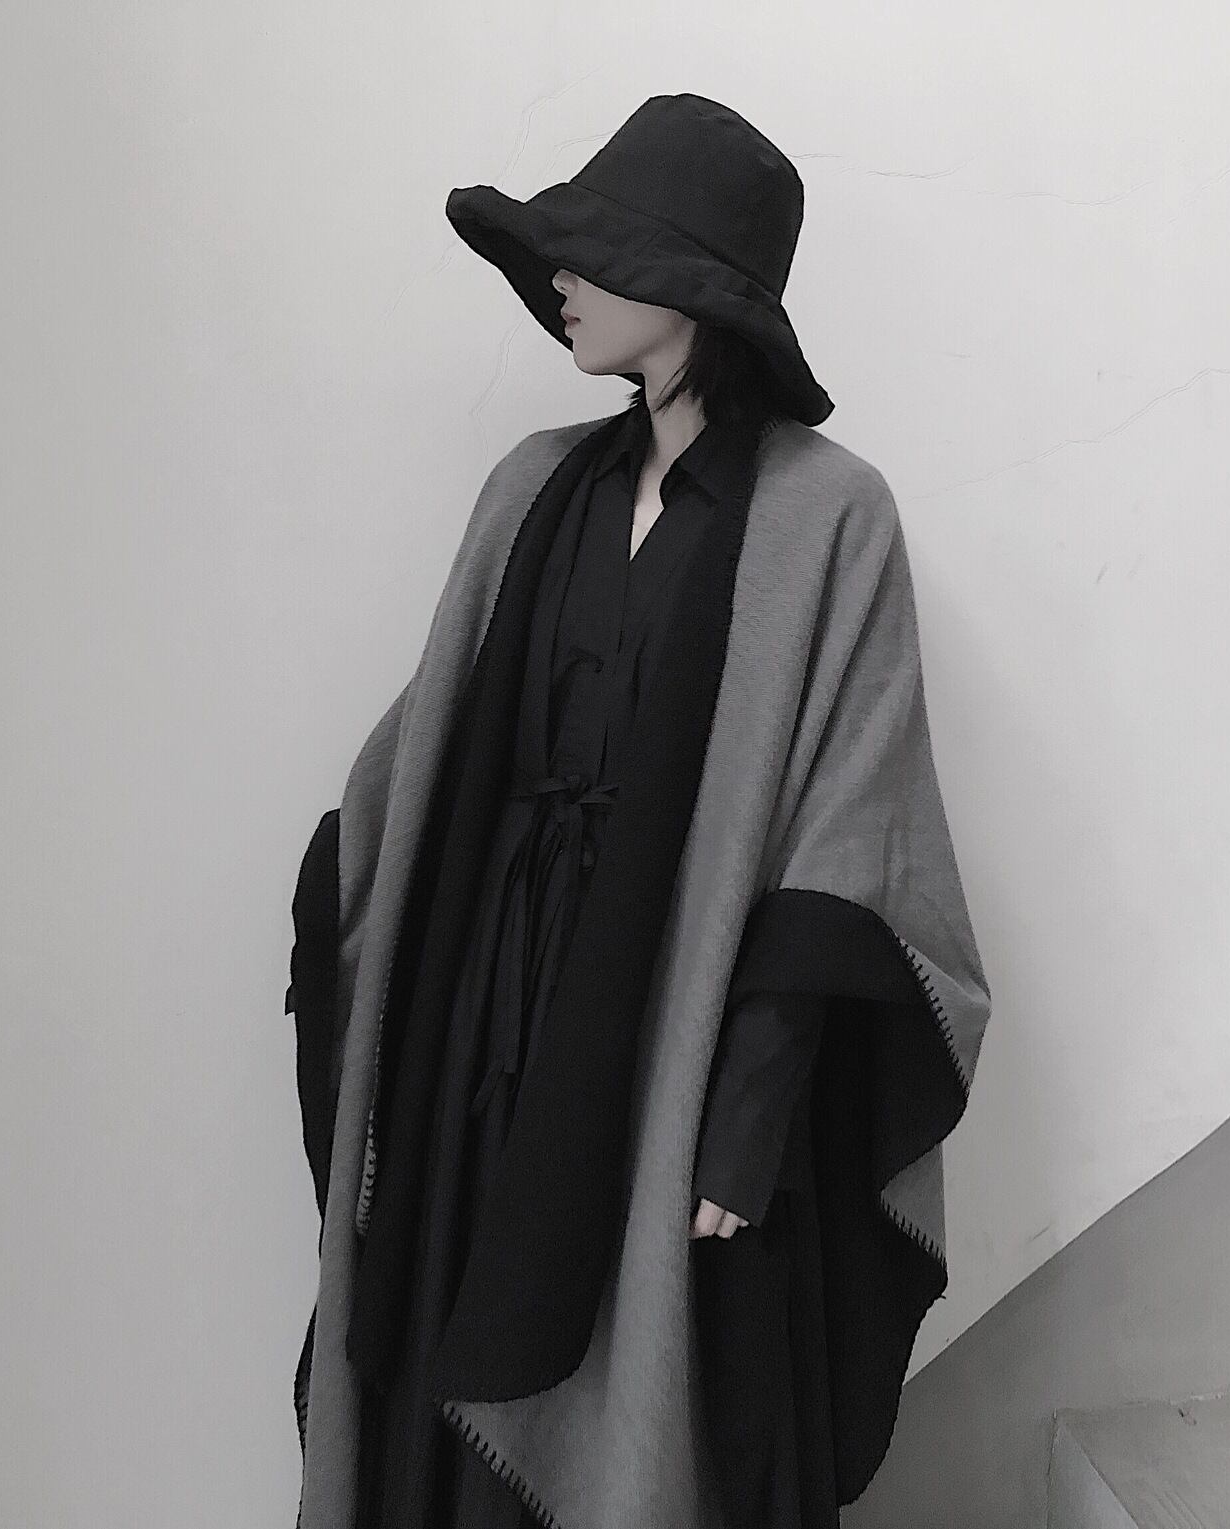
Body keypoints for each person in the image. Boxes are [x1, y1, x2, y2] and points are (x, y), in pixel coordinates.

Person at [285, 93, 991, 1529]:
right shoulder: (533, 485)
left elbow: (852, 835)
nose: (559, 278)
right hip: (483, 1018)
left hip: (670, 1023)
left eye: (595, 254)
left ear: (689, 288)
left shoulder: (829, 517)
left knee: (647, 1370)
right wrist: (338, 890)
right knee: (444, 1322)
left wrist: (746, 1120)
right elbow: (433, 743)